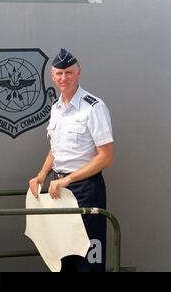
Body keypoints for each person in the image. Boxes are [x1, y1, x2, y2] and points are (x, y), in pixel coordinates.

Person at [29, 49, 114, 272]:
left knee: (88, 259)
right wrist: (42, 175)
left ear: (78, 73)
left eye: (68, 72)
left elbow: (106, 156)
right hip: (58, 190)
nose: (63, 78)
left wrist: (69, 180)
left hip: (86, 190)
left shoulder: (93, 107)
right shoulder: (56, 109)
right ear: (52, 76)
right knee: (62, 257)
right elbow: (56, 150)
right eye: (59, 73)